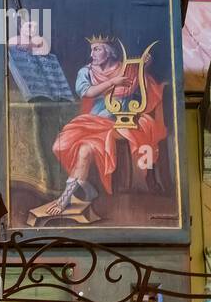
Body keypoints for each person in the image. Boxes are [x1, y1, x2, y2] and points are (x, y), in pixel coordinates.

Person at [46, 36, 167, 216]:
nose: (92, 54)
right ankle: (88, 188)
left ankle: (65, 198)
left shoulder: (125, 68)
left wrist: (143, 67)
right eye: (92, 49)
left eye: (97, 49)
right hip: (94, 121)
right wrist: (112, 82)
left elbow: (135, 85)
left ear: (109, 51)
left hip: (120, 122)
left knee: (85, 150)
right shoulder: (86, 72)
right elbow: (87, 92)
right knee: (59, 146)